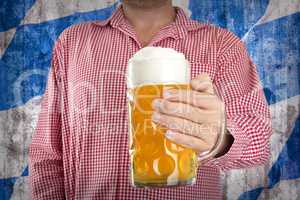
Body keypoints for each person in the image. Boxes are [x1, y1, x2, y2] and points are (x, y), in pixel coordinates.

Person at [29, 0, 272, 199]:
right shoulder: (72, 42)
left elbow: (258, 141)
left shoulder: (222, 45)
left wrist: (219, 140)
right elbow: (47, 153)